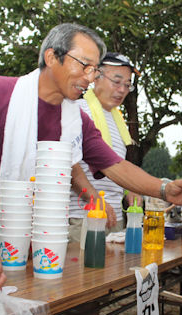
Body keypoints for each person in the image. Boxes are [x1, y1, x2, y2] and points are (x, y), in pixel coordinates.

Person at [0, 24, 182, 274]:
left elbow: (116, 166)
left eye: (94, 70)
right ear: (51, 57)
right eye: (84, 66)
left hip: (36, 250)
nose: (90, 78)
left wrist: (165, 189)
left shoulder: (76, 120)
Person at [69, 52, 143, 239]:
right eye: (116, 81)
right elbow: (69, 164)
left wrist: (130, 188)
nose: (122, 90)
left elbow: (115, 167)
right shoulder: (76, 110)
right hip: (83, 218)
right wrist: (94, 199)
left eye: (127, 85)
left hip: (115, 220)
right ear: (96, 77)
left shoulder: (119, 122)